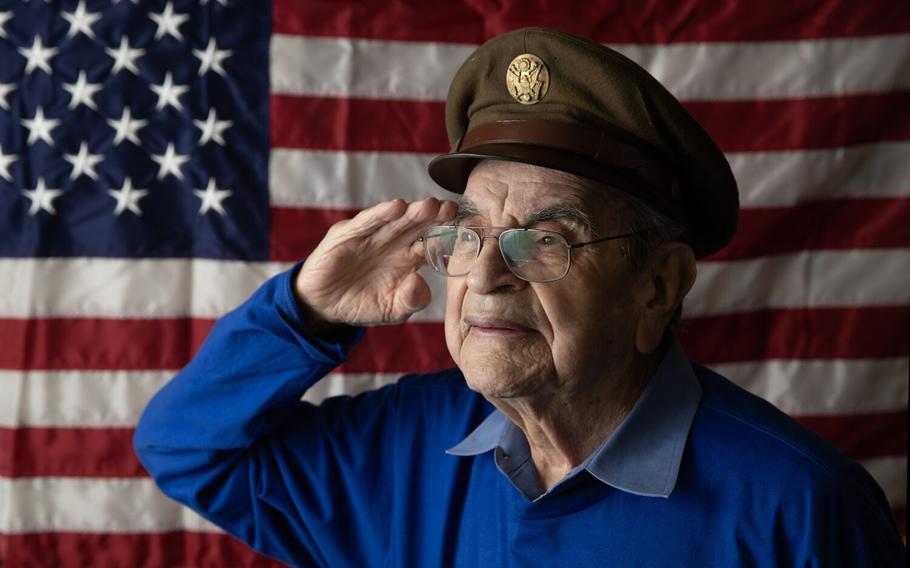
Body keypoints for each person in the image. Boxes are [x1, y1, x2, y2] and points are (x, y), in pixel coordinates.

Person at [135, 28, 905, 566]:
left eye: (544, 240)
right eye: (468, 234)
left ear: (657, 286)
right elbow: (185, 448)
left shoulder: (800, 510)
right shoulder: (406, 446)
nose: (485, 277)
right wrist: (303, 314)